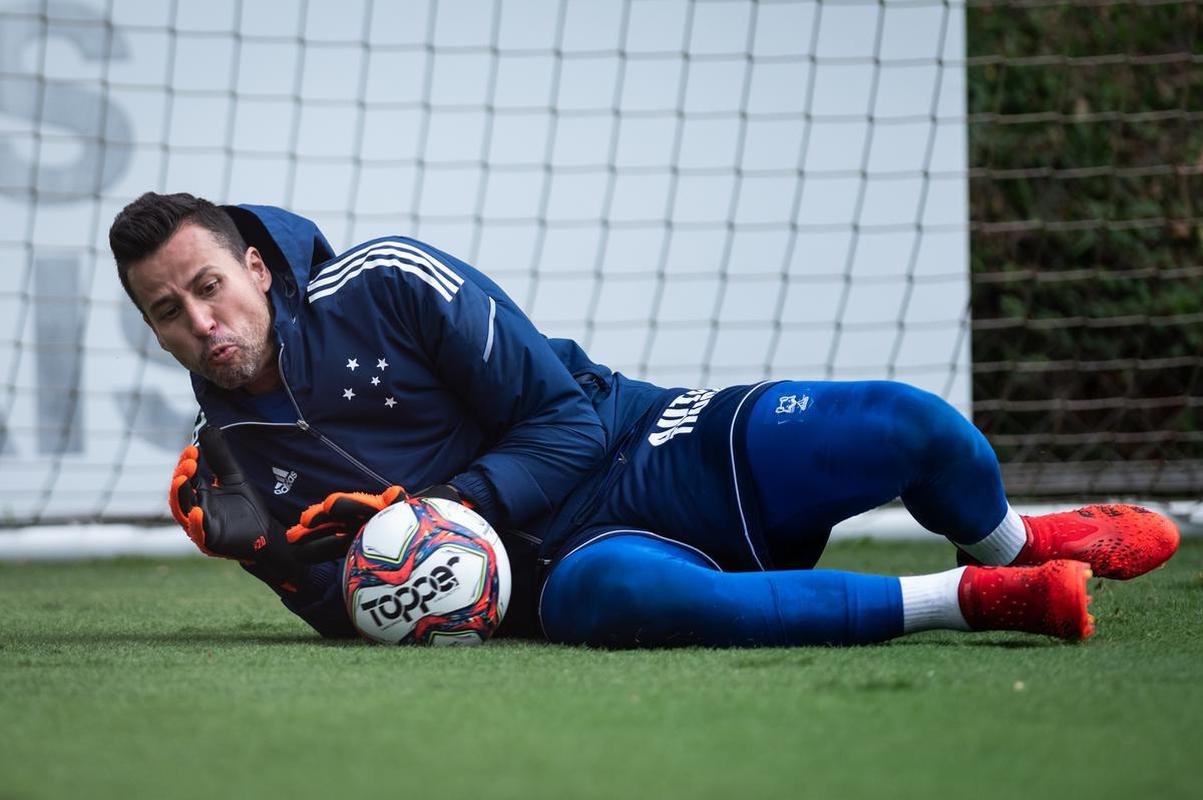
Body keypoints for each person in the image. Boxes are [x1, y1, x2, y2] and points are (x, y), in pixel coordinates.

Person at [108, 192, 1180, 646]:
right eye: (169, 310)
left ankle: (1018, 535)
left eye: (209, 285)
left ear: (254, 266)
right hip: (555, 571)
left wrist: (444, 510)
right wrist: (304, 574)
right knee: (628, 588)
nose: (202, 322)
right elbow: (363, 615)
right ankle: (989, 595)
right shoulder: (232, 476)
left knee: (912, 425)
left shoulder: (386, 281)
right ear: (153, 329)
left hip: (634, 438)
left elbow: (564, 422)